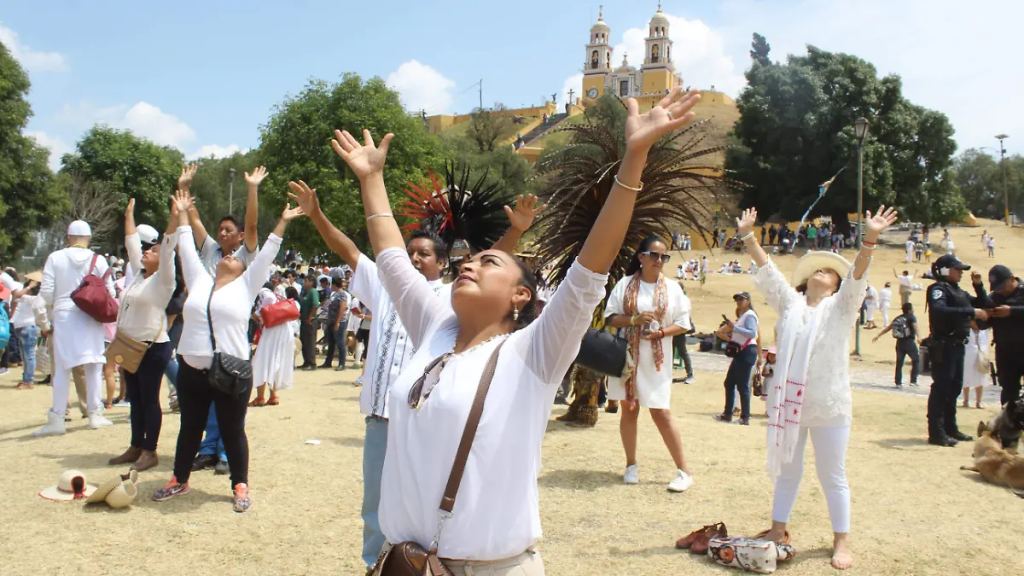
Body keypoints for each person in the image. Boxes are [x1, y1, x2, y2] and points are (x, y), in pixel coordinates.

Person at [325, 87, 701, 574]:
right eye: (468, 258)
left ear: (521, 295)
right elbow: (392, 257)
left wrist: (634, 158)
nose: (469, 263)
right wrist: (372, 179)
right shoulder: (435, 329)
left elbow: (591, 269)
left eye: (490, 261)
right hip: (407, 565)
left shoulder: (534, 351)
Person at [286, 181, 545, 569]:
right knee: (379, 508)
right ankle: (387, 565)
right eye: (410, 253)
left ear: (444, 264)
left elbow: (498, 275)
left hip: (440, 418)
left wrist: (516, 232)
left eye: (423, 254)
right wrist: (317, 213)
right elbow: (354, 251)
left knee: (435, 507)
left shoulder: (447, 304)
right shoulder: (387, 286)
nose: (414, 259)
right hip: (385, 415)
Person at [737, 203, 898, 571]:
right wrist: (748, 234)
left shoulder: (842, 308)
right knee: (788, 472)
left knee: (832, 474)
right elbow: (768, 271)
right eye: (817, 269)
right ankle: (778, 530)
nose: (821, 272)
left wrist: (870, 238)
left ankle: (841, 541)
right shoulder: (790, 305)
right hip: (790, 407)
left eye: (829, 271)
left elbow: (857, 275)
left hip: (829, 405)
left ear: (837, 286)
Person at [152, 191, 302, 513]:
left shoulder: (247, 285)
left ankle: (239, 484)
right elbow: (186, 245)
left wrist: (283, 222)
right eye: (227, 256)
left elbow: (266, 253)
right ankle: (179, 478)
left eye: (236, 258)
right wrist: (181, 213)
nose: (230, 257)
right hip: (192, 370)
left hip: (231, 371)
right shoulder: (198, 279)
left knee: (233, 431)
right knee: (189, 427)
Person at [604, 235, 694, 491]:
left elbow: (684, 323)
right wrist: (634, 319)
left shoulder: (673, 288)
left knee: (661, 412)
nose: (659, 260)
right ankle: (631, 465)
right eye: (654, 255)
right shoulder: (624, 285)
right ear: (641, 257)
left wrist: (661, 333)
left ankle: (684, 471)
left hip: (656, 360)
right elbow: (610, 318)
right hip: (627, 357)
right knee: (629, 409)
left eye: (663, 256)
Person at [106, 199, 179, 471]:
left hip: (152, 347)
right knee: (134, 399)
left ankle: (150, 451)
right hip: (130, 344)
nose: (147, 252)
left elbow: (169, 245)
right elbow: (131, 242)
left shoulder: (163, 280)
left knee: (149, 400)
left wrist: (174, 218)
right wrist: (128, 216)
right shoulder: (139, 274)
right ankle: (136, 445)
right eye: (147, 250)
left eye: (153, 250)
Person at [34, 220, 117, 436]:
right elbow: (111, 292)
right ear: (89, 238)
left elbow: (46, 293)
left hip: (64, 315)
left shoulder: (55, 258)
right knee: (94, 365)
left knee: (62, 368)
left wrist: (57, 306)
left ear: (68, 237)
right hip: (91, 315)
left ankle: (58, 418)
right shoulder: (98, 260)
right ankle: (95, 414)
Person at [924, 254, 988, 447]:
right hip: (944, 345)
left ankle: (950, 427)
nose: (960, 272)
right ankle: (936, 431)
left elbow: (983, 303)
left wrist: (978, 285)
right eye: (957, 269)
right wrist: (970, 312)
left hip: (958, 345)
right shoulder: (938, 290)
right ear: (945, 270)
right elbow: (939, 310)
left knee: (954, 388)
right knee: (942, 388)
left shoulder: (958, 291)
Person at [975, 265, 1024, 406]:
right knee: (1008, 391)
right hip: (1006, 352)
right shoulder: (995, 298)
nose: (1000, 290)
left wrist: (1012, 311)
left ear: (1013, 279)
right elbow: (983, 325)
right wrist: (985, 315)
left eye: (1002, 285)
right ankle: (1008, 425)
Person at [713, 292, 759, 425]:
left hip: (747, 351)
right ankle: (727, 413)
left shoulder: (750, 315)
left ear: (748, 301)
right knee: (729, 382)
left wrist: (735, 328)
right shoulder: (743, 316)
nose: (738, 302)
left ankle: (745, 417)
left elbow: (752, 333)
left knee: (742, 385)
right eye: (737, 300)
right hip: (741, 352)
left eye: (741, 299)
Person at [250, 285, 300, 406]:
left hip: (272, 330)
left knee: (261, 361)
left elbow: (269, 300)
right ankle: (273, 395)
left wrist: (257, 313)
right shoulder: (281, 297)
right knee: (276, 362)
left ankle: (260, 397)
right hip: (285, 330)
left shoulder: (263, 291)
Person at [873, 303, 920, 387]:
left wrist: (878, 335)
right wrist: (919, 336)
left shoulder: (898, 318)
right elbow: (915, 326)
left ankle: (898, 382)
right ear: (909, 310)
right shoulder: (911, 317)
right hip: (909, 342)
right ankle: (913, 381)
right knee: (916, 360)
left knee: (899, 363)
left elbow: (888, 328)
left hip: (899, 343)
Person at [11, 279, 46, 390]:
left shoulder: (34, 299)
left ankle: (28, 380)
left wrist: (29, 286)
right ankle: (26, 378)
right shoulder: (28, 298)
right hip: (22, 328)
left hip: (28, 328)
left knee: (29, 356)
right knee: (25, 356)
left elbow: (17, 295)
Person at [321, 277, 350, 370]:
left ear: (334, 285)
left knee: (340, 343)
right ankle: (328, 361)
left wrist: (337, 322)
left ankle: (342, 363)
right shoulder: (334, 294)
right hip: (331, 321)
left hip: (338, 321)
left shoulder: (342, 294)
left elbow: (342, 309)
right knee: (331, 342)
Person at [962, 322, 992, 409]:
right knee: (967, 376)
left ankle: (979, 401)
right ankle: (966, 400)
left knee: (981, 377)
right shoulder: (967, 329)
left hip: (982, 354)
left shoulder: (984, 330)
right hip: (968, 354)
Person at [297, 275, 320, 370]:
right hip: (303, 320)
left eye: (306, 281)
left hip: (310, 321)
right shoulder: (304, 292)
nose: (304, 283)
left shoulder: (313, 292)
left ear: (311, 282)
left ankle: (312, 363)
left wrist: (310, 317)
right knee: (304, 342)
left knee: (310, 342)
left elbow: (315, 305)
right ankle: (306, 361)